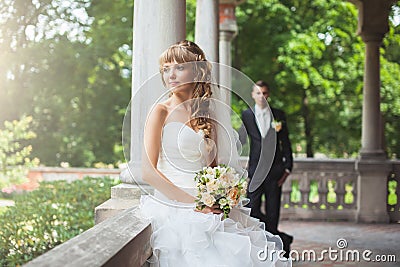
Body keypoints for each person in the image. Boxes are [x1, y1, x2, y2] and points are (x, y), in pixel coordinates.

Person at [139, 40, 291, 266]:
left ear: (197, 70)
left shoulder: (207, 116)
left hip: (209, 205)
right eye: (166, 69)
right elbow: (148, 172)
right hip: (175, 206)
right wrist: (194, 203)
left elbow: (213, 170)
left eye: (179, 67)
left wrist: (220, 197)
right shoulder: (160, 111)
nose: (171, 75)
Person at [239, 80, 294, 258]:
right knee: (251, 207)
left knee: (273, 210)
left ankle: (275, 248)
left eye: (264, 93)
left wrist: (288, 168)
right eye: (258, 93)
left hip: (275, 171)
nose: (261, 96)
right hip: (255, 171)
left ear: (268, 95)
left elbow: (286, 142)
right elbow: (241, 140)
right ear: (253, 95)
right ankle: (282, 238)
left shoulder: (278, 115)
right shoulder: (246, 115)